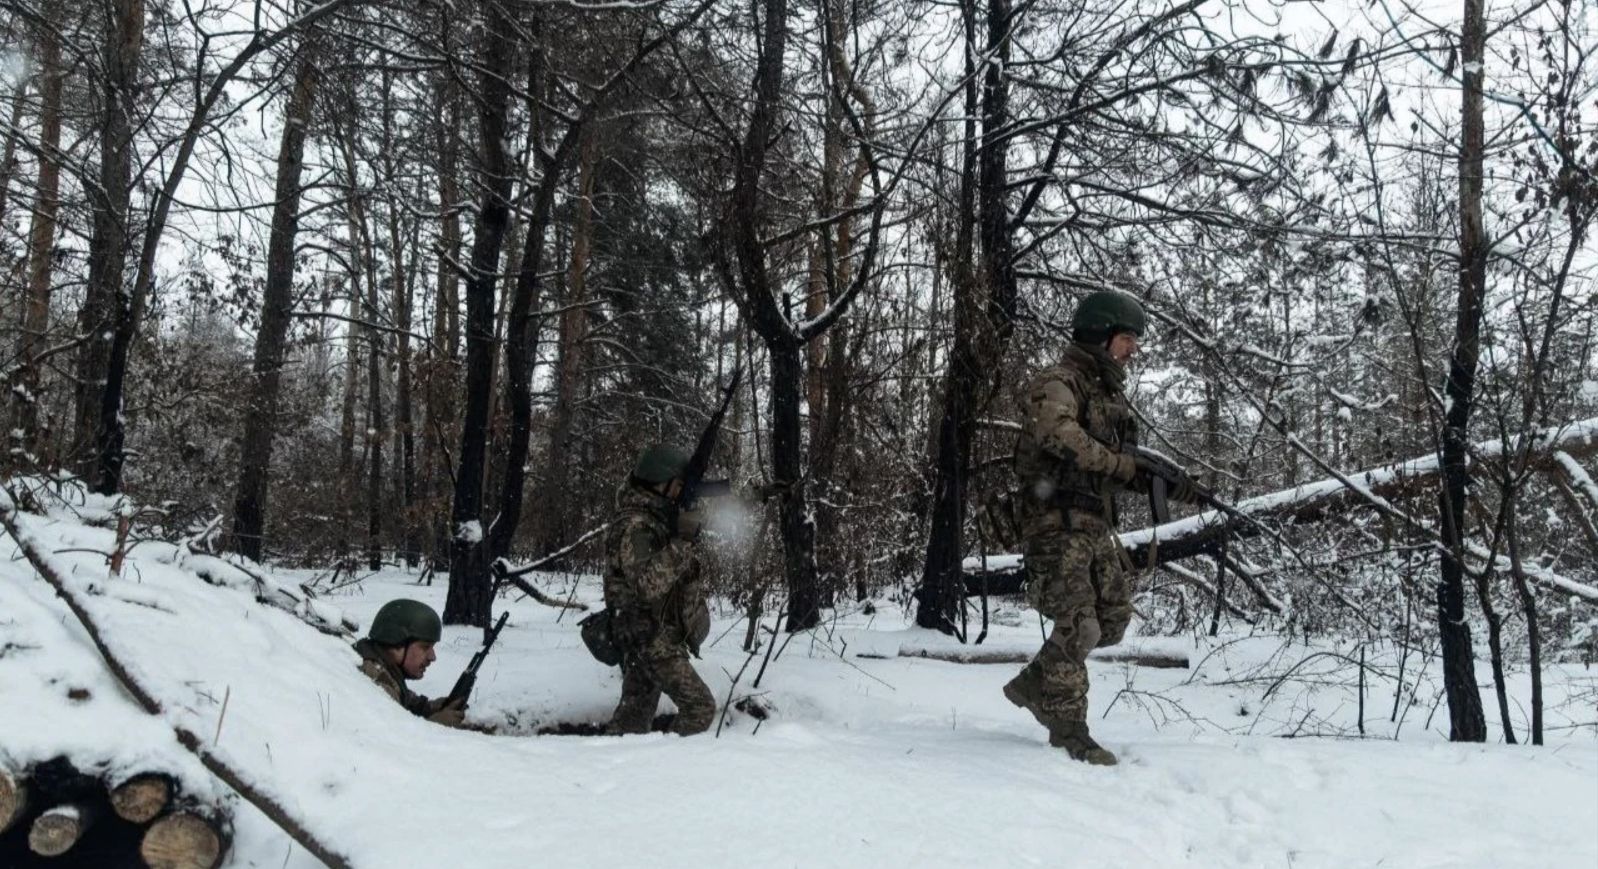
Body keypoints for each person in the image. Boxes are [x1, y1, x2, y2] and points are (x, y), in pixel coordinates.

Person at [1002, 290, 1202, 765]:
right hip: (1054, 526)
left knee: (1112, 620)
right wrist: (1119, 465)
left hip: (1093, 528)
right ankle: (1069, 729)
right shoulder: (1057, 382)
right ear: (1100, 334)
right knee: (1080, 624)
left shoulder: (1110, 397)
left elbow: (1123, 465)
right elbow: (1058, 434)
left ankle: (1034, 683)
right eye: (1127, 338)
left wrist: (1173, 486)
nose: (1133, 349)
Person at [603, 444, 716, 736]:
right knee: (700, 708)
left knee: (632, 720)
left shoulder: (655, 518)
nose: (680, 493)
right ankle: (665, 761)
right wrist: (682, 542)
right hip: (649, 639)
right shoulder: (635, 526)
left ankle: (613, 760)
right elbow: (646, 586)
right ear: (659, 484)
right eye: (677, 486)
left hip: (647, 633)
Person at [353, 599, 466, 727]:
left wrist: (430, 708)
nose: (432, 657)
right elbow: (386, 734)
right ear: (395, 643)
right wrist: (435, 725)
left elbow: (404, 700)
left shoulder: (383, 667)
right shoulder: (373, 681)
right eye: (425, 647)